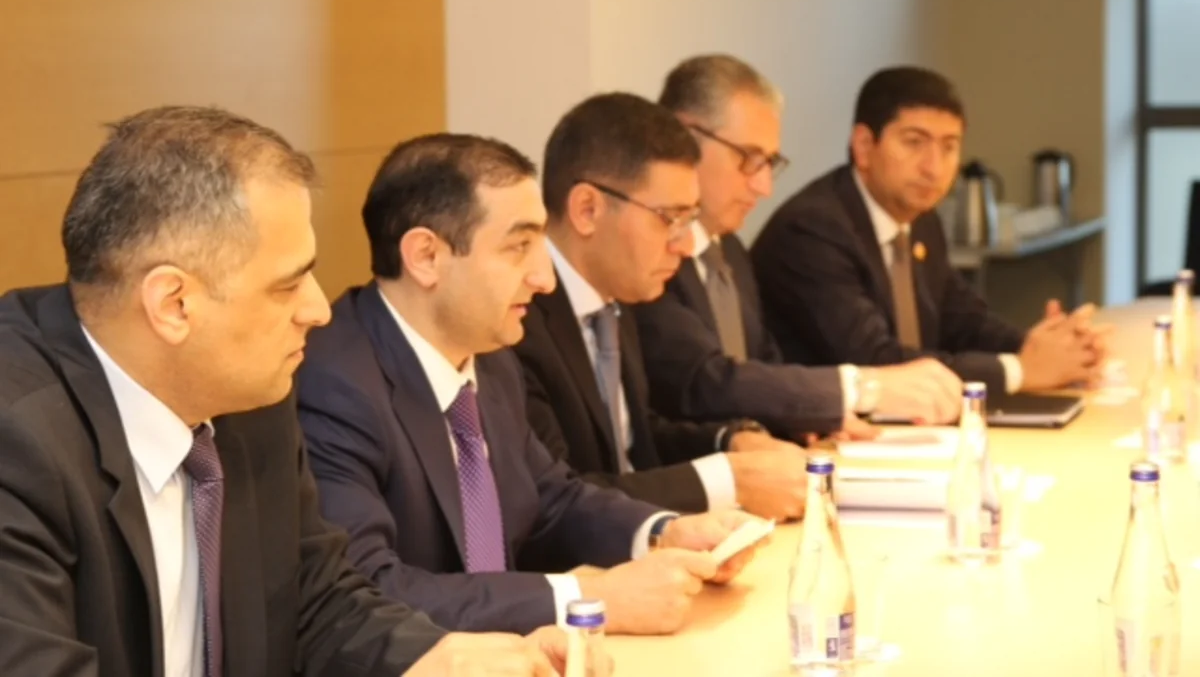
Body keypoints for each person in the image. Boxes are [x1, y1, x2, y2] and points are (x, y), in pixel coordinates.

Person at [0, 106, 567, 677]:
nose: (318, 310)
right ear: (174, 304)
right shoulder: (17, 442)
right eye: (287, 285)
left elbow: (316, 601)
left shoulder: (250, 398)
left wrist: (435, 660)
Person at [296, 133, 759, 638]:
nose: (545, 278)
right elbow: (370, 590)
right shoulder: (334, 385)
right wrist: (590, 600)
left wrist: (663, 532)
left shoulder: (492, 358)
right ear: (426, 256)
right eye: (519, 247)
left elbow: (549, 497)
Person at [633, 54, 964, 442]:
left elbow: (765, 367)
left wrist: (811, 417)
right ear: (685, 139)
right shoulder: (649, 254)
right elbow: (702, 382)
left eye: (769, 163)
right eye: (748, 159)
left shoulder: (731, 251)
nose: (763, 187)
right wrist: (861, 388)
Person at [513, 92, 809, 521]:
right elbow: (556, 496)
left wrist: (731, 441)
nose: (684, 245)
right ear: (587, 210)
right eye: (670, 218)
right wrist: (729, 480)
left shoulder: (617, 297)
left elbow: (636, 442)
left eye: (690, 220)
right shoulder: (517, 319)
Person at [751, 66, 1103, 396]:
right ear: (864, 146)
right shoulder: (812, 230)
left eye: (949, 147)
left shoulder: (922, 219)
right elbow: (877, 361)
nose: (934, 168)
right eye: (914, 142)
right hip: (819, 433)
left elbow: (963, 320)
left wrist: (1045, 347)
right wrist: (1020, 370)